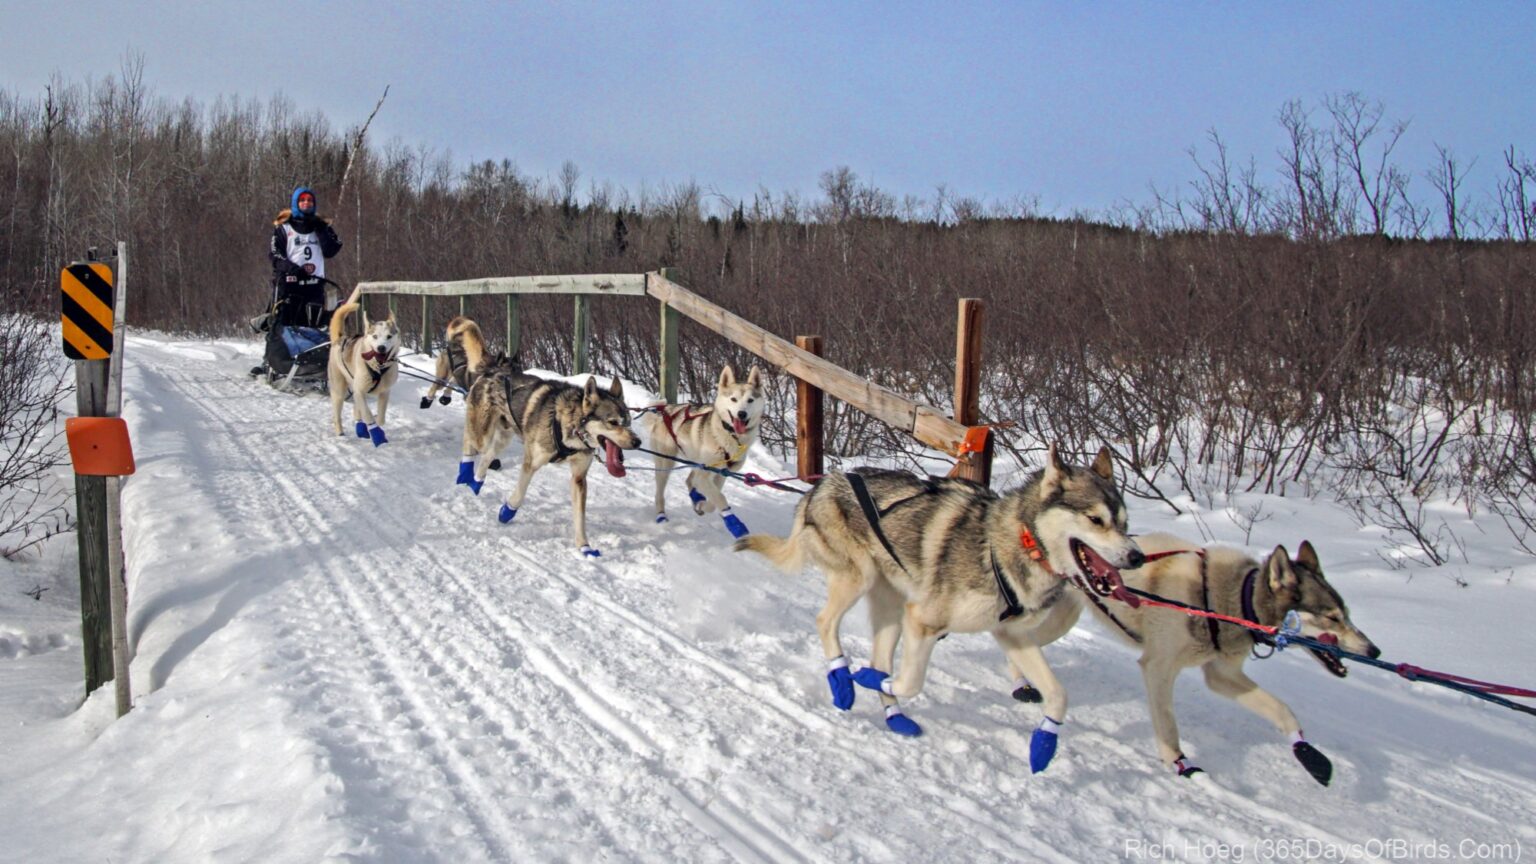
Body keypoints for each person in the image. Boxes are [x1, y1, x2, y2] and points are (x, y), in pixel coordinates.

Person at [250, 186, 343, 375]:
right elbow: (275, 256)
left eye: (310, 200)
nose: (306, 203)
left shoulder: (322, 227)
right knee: (280, 322)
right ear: (296, 203)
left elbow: (331, 251)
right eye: (302, 200)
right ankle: (269, 361)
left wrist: (321, 230)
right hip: (288, 284)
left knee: (312, 326)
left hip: (314, 285)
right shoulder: (283, 228)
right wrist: (292, 269)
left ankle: (310, 363)